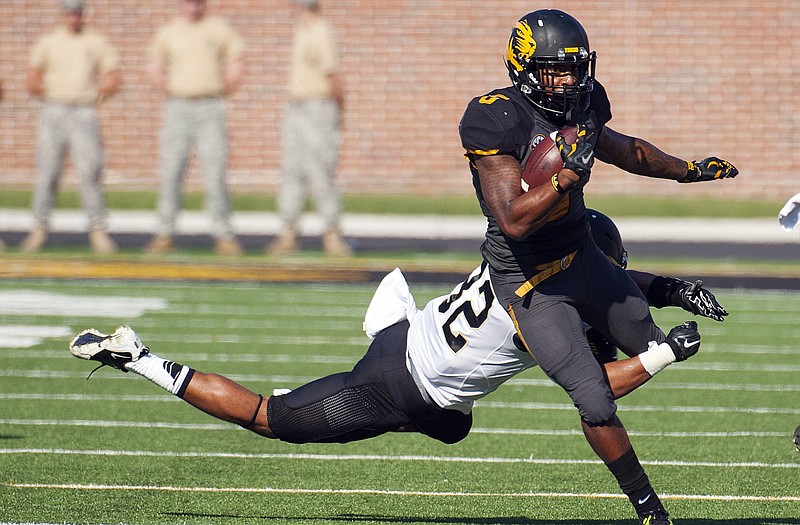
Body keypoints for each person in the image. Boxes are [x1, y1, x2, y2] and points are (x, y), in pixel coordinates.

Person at [69, 210, 726, 480]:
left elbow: (602, 282)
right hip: (399, 379)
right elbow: (595, 391)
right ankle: (141, 356)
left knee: (457, 425)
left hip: (419, 339)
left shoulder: (533, 263)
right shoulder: (542, 309)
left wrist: (667, 286)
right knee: (269, 418)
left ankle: (411, 375)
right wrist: (664, 352)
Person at [458, 10, 737, 524]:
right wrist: (564, 178)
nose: (569, 81)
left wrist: (688, 172)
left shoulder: (586, 100)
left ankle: (597, 341)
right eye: (555, 70)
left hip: (582, 253)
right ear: (524, 68)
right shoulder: (496, 117)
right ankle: (648, 506)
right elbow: (513, 221)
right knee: (596, 402)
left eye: (575, 69)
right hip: (530, 281)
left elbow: (624, 149)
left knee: (650, 348)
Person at [146, 0, 245, 256]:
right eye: (189, 3)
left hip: (210, 107)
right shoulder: (169, 31)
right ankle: (164, 233)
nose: (194, 8)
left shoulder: (218, 30)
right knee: (171, 170)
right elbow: (155, 67)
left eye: (199, 3)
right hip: (178, 107)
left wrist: (224, 87)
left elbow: (236, 62)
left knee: (215, 170)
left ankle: (223, 234)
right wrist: (169, 89)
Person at [21, 0, 120, 254]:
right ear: (63, 15)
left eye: (77, 13)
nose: (73, 18)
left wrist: (96, 94)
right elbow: (32, 75)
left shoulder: (95, 42)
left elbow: (112, 76)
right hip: (54, 110)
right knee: (47, 172)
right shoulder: (49, 42)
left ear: (82, 15)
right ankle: (39, 228)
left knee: (90, 172)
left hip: (84, 112)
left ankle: (98, 230)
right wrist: (47, 91)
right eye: (69, 13)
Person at [267, 0, 351, 257]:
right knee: (292, 170)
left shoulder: (320, 31)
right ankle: (288, 231)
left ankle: (332, 233)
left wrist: (338, 113)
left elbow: (333, 77)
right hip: (298, 106)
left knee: (319, 170)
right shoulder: (302, 30)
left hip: (318, 106)